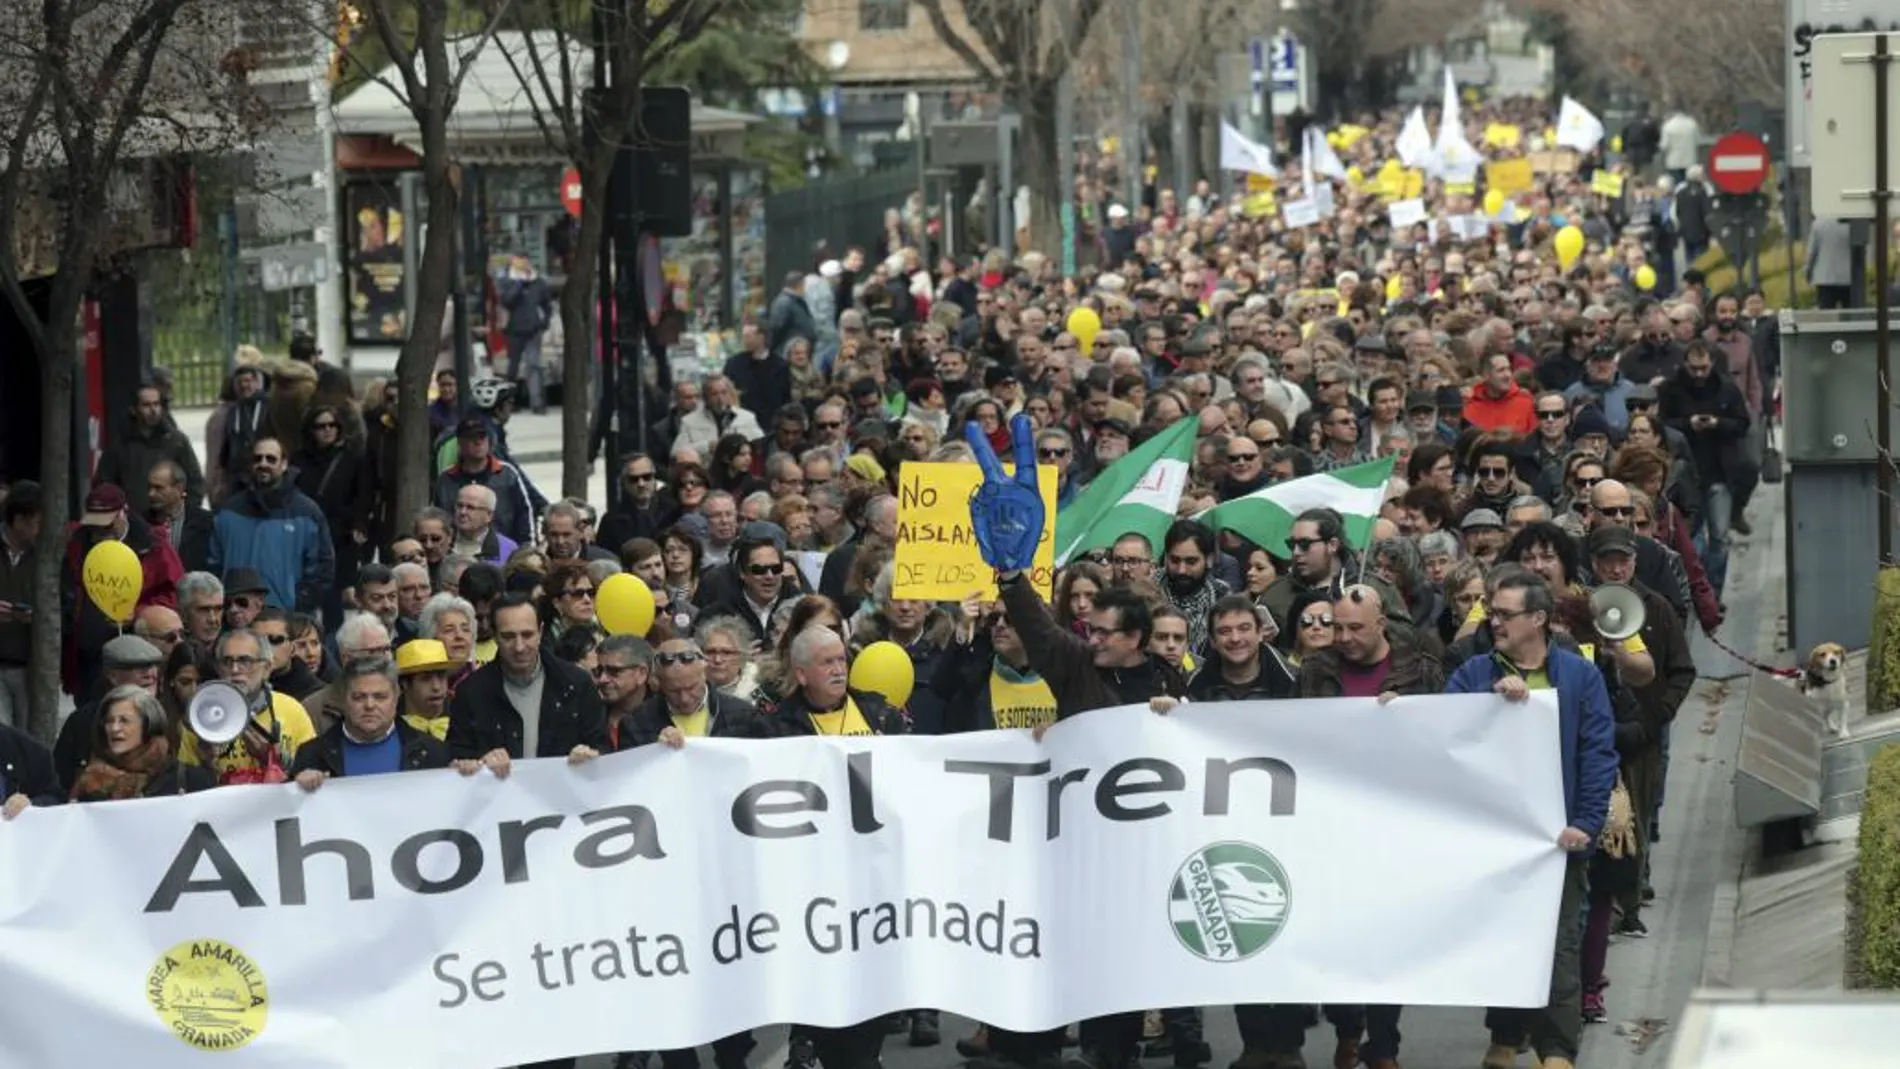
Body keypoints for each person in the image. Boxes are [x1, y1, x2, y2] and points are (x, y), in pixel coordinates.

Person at [1445, 571, 1618, 1069]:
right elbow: (1443, 730)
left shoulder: (1580, 675)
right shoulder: (1475, 672)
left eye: (1503, 614)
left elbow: (1597, 751)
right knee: (1505, 943)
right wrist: (1489, 706)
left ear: (1538, 619)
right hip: (1494, 842)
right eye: (1491, 613)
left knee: (1560, 947)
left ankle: (1556, 1050)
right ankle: (1505, 1035)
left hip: (1558, 843)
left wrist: (1585, 822)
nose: (1492, 621)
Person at [446, 592, 609, 772]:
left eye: (527, 635)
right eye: (508, 637)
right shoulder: (471, 693)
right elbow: (456, 758)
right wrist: (478, 763)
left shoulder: (577, 684)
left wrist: (590, 754)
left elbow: (603, 748)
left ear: (541, 631)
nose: (519, 647)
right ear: (494, 636)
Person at [207, 434, 335, 615]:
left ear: (284, 464)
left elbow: (323, 567)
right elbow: (213, 564)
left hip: (287, 618)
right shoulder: (227, 512)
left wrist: (299, 604)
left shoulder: (307, 512)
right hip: (237, 618)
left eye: (271, 459)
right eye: (258, 458)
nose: (263, 463)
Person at [291, 658, 452, 786]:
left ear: (397, 697)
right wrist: (297, 786)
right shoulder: (312, 756)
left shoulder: (433, 752)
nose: (369, 705)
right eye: (359, 697)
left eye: (380, 697)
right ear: (342, 699)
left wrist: (464, 773)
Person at [68, 685, 214, 801]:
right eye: (109, 721)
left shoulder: (190, 779)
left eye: (124, 721)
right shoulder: (89, 783)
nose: (114, 728)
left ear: (149, 724)